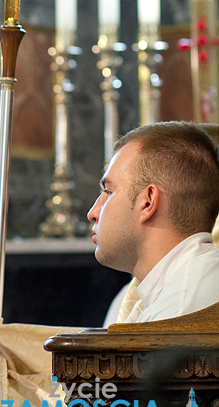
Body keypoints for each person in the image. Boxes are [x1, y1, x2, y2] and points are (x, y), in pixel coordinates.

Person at [91, 122, 219, 324]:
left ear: (148, 201)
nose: (93, 213)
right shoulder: (194, 278)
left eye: (108, 192)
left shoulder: (176, 316)